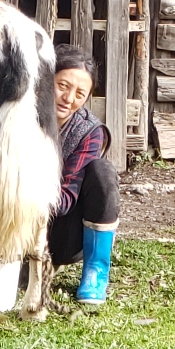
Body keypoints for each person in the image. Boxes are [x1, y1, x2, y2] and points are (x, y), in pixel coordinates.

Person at [50, 45, 120, 308]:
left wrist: (27, 197)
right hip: (10, 224)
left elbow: (67, 198)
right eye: (62, 85)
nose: (68, 98)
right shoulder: (20, 114)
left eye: (80, 93)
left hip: (62, 231)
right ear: (46, 78)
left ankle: (95, 270)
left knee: (103, 172)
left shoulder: (88, 131)